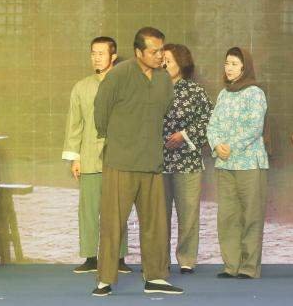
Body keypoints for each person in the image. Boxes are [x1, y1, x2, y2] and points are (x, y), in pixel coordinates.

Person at [92, 27, 181, 297]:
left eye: (161, 50)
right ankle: (105, 280)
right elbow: (101, 113)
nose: (160, 56)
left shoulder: (164, 79)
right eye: (154, 51)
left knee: (156, 224)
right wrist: (120, 139)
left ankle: (156, 277)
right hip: (120, 161)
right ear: (138, 52)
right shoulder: (119, 75)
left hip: (152, 161)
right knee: (112, 224)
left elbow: (165, 110)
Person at [62, 36, 132, 275]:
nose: (96, 58)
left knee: (118, 210)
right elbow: (75, 125)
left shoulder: (125, 85)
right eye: (93, 53)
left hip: (118, 158)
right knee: (89, 210)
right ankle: (91, 257)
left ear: (113, 56)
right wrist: (75, 158)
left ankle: (119, 257)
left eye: (101, 53)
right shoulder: (81, 87)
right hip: (89, 157)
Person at [206, 47, 268, 279]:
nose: (229, 68)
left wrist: (229, 146)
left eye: (234, 63)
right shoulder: (224, 94)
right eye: (227, 63)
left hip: (249, 163)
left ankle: (249, 267)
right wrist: (216, 145)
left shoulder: (255, 93)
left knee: (251, 216)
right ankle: (231, 266)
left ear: (244, 67)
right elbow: (212, 125)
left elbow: (254, 128)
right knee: (228, 217)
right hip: (225, 165)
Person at [160, 43, 211, 274]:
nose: (163, 64)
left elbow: (208, 120)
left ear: (181, 64)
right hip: (158, 162)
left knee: (188, 214)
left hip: (188, 162)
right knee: (159, 215)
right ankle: (159, 260)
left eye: (168, 60)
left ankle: (187, 259)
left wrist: (184, 135)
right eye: (161, 60)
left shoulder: (195, 91)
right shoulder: (152, 88)